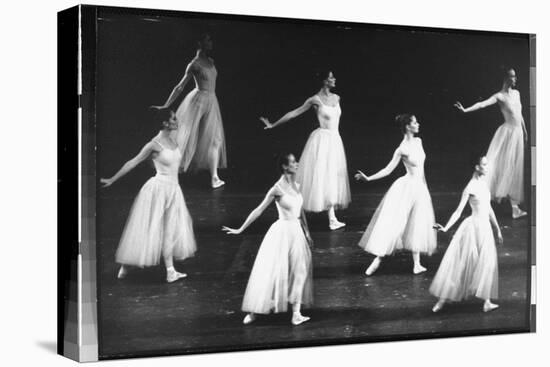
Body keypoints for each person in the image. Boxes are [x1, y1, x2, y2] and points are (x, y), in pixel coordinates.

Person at [100, 109, 196, 283]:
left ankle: (170, 271)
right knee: (147, 229)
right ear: (165, 123)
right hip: (157, 190)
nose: (177, 120)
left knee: (169, 230)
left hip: (173, 190)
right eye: (174, 118)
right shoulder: (154, 144)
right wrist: (112, 179)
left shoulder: (173, 141)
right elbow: (133, 161)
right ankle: (126, 266)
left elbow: (174, 165)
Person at [222, 153, 313, 325]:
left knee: (300, 270)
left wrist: (307, 232)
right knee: (273, 272)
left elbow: (300, 212)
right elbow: (259, 209)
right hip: (281, 233)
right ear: (285, 166)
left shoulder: (297, 185)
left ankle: (296, 313)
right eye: (293, 162)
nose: (297, 164)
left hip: (296, 232)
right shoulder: (276, 189)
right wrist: (240, 229)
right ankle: (255, 310)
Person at [260, 71, 351, 230]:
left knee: (333, 176)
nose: (334, 79)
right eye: (331, 77)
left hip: (335, 140)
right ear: (324, 80)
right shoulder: (314, 100)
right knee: (322, 176)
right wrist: (274, 124)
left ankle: (332, 218)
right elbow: (294, 113)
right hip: (322, 141)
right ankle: (299, 210)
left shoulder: (337, 98)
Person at [355, 114, 436, 276]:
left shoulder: (419, 142)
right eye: (415, 122)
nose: (418, 124)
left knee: (417, 223)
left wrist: (425, 188)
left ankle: (417, 264)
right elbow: (388, 169)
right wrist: (368, 178)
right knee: (397, 224)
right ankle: (377, 259)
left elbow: (422, 169)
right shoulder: (402, 149)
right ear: (407, 126)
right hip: (407, 188)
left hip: (419, 187)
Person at [151, 33, 226, 188]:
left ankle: (214, 177)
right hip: (198, 100)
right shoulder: (194, 64)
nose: (211, 43)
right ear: (199, 42)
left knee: (216, 139)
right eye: (208, 40)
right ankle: (166, 168)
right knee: (184, 135)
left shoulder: (211, 61)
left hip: (212, 101)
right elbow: (180, 86)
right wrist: (166, 105)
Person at [430, 155, 502, 313]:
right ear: (477, 167)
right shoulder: (470, 187)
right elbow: (458, 211)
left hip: (485, 228)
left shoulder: (483, 184)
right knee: (461, 265)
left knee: (486, 263)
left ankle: (487, 301)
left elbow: (488, 208)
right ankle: (443, 299)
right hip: (473, 228)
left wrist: (497, 229)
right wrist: (446, 228)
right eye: (484, 164)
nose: (487, 167)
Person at [454, 67, 527, 218]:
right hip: (507, 134)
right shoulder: (499, 96)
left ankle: (515, 208)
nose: (515, 79)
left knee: (514, 168)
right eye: (512, 77)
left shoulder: (517, 94)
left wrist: (524, 130)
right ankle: (481, 197)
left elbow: (520, 114)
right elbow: (483, 104)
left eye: (515, 77)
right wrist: (466, 110)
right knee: (497, 166)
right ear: (506, 78)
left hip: (518, 133)